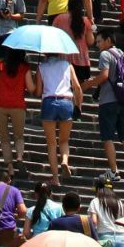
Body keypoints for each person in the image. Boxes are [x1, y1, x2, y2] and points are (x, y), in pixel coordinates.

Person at [86, 40, 124, 179]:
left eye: (99, 41)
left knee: (107, 137)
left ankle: (114, 172)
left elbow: (104, 75)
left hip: (108, 101)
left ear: (107, 40)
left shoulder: (105, 54)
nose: (97, 44)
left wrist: (87, 85)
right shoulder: (123, 54)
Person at [37, 47, 82, 187]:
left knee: (51, 144)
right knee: (64, 140)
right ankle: (64, 160)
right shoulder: (67, 65)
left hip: (49, 102)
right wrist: (78, 106)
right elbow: (77, 87)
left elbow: (38, 91)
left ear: (45, 52)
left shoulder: (41, 66)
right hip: (66, 102)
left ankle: (55, 178)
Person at [0, 50, 32, 178]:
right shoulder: (25, 67)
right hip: (18, 105)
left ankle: (9, 166)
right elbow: (31, 88)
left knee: (4, 137)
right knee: (19, 136)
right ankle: (20, 158)